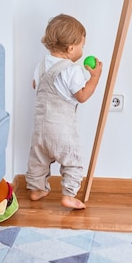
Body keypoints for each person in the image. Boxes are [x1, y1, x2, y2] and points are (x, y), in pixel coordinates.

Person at [25, 14, 103, 209]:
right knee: (72, 159)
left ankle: (37, 189)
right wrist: (95, 77)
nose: (82, 50)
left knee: (38, 160)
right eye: (82, 46)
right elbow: (82, 96)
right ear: (70, 48)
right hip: (61, 130)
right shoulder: (72, 70)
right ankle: (68, 195)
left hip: (40, 130)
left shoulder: (40, 65)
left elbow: (35, 85)